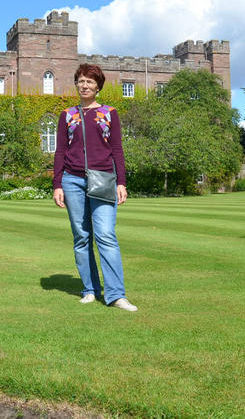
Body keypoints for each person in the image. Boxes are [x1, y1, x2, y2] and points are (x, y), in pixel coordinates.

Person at [52, 64, 137, 312]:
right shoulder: (67, 115)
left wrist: (121, 181)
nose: (85, 85)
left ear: (98, 86)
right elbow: (60, 151)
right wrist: (58, 184)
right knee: (81, 237)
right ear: (76, 84)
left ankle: (116, 295)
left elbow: (117, 149)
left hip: (103, 179)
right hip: (73, 180)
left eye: (90, 81)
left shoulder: (109, 113)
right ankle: (89, 290)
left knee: (106, 236)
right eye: (81, 81)